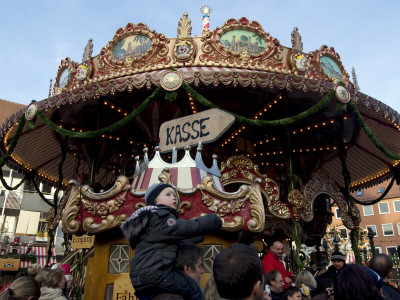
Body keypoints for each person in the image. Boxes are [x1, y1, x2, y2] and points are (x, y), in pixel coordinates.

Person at [120, 182, 223, 300]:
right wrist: (212, 220)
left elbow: (176, 242)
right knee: (194, 288)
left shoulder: (149, 224)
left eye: (174, 195)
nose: (174, 197)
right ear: (156, 201)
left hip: (140, 279)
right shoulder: (159, 217)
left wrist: (199, 237)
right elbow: (186, 228)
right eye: (168, 195)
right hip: (156, 274)